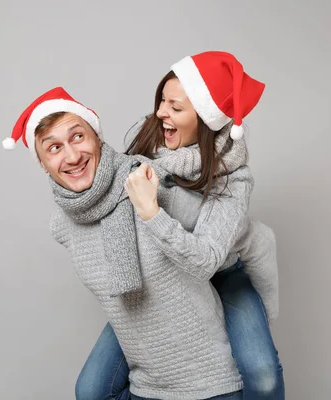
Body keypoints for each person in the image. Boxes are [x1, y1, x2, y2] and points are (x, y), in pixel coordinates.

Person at [2, 87, 245, 399]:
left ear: (97, 137)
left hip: (209, 386)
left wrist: (152, 211)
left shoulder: (147, 179)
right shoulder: (63, 223)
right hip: (147, 387)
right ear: (42, 163)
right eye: (54, 148)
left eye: (78, 137)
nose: (72, 156)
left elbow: (218, 252)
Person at [76, 51, 284, 399]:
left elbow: (206, 261)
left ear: (204, 118)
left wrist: (152, 212)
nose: (160, 112)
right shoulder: (148, 143)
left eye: (175, 106)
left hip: (218, 272)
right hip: (162, 274)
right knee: (92, 389)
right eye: (162, 100)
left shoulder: (235, 177)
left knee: (262, 374)